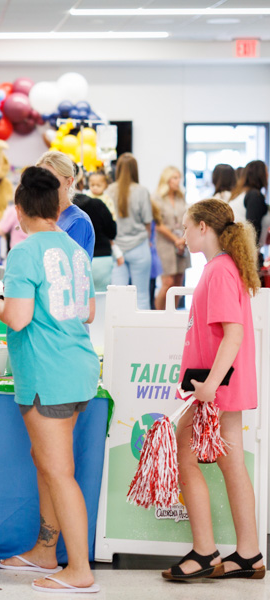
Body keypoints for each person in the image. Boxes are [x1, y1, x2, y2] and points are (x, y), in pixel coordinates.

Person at [0, 166, 99, 594]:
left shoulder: (25, 253)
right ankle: (45, 551)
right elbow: (87, 311)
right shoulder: (74, 248)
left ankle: (80, 570)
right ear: (56, 206)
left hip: (47, 374)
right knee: (49, 464)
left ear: (18, 211)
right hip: (77, 367)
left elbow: (17, 316)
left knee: (58, 471)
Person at [162, 199, 264, 581]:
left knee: (186, 459)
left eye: (187, 227)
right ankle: (249, 553)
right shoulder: (223, 269)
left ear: (203, 227)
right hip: (220, 383)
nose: (183, 235)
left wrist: (208, 386)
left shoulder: (218, 271)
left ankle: (205, 551)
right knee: (231, 463)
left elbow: (233, 334)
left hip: (212, 385)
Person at [106, 153, 154, 310]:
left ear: (118, 169)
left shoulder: (109, 191)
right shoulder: (142, 191)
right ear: (135, 169)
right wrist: (147, 240)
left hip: (117, 249)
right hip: (139, 246)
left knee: (117, 297)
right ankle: (143, 333)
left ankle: (118, 333)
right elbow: (148, 221)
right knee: (141, 295)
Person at [36, 151, 95, 260]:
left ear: (69, 182)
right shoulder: (45, 217)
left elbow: (70, 268)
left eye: (52, 179)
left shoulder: (78, 221)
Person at [153, 166, 190, 310]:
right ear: (167, 179)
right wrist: (175, 239)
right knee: (167, 282)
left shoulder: (181, 197)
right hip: (166, 244)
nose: (178, 181)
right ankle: (159, 316)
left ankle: (172, 315)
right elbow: (157, 224)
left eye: (179, 177)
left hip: (182, 244)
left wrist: (184, 239)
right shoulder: (156, 198)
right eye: (175, 177)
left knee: (178, 283)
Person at [73, 184, 117, 292]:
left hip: (74, 260)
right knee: (101, 301)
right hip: (101, 258)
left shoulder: (61, 209)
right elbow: (112, 232)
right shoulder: (98, 204)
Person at [229, 160, 268, 247]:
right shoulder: (255, 196)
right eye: (266, 171)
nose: (268, 175)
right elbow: (253, 228)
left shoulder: (240, 193)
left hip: (237, 247)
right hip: (245, 251)